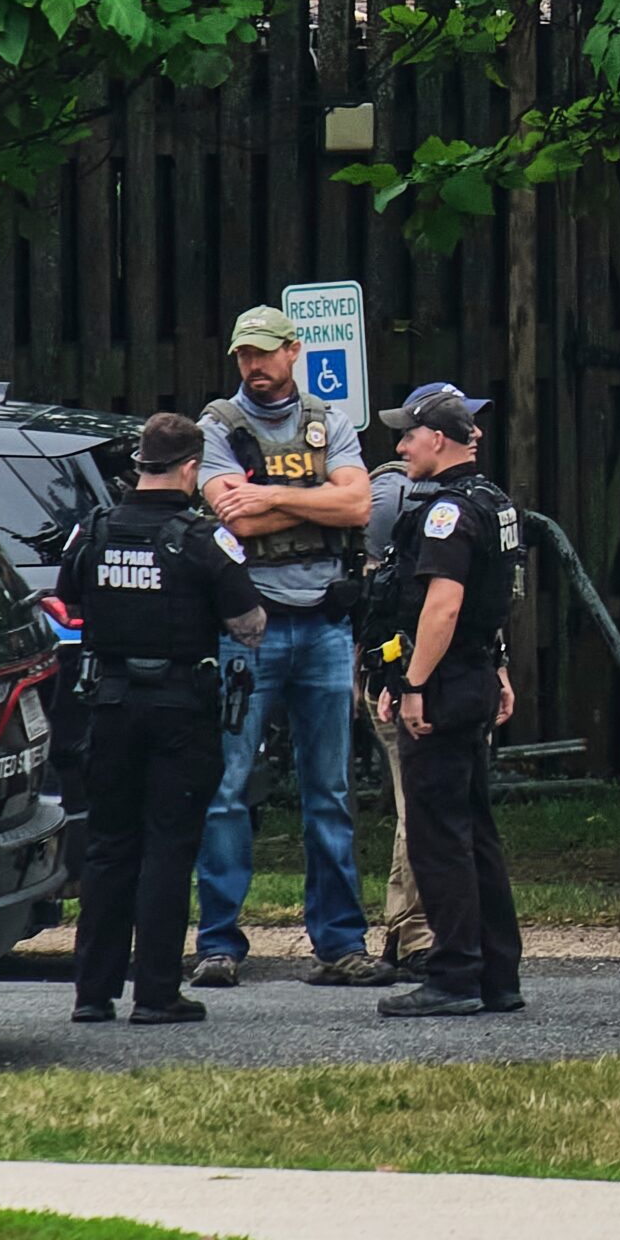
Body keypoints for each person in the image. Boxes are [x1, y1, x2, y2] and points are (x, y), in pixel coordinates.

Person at [191, 307, 385, 990]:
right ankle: (218, 941)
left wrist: (271, 494)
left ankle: (339, 940)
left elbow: (359, 506)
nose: (254, 367)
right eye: (244, 354)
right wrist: (314, 494)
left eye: (266, 353)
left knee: (329, 788)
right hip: (249, 626)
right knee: (228, 786)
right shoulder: (217, 424)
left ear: (294, 351)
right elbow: (228, 512)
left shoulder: (327, 419)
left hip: (326, 626)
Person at [58, 414, 267, 1025]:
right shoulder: (202, 539)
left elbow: (68, 601)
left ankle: (92, 995)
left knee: (108, 846)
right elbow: (249, 627)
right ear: (192, 469)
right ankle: (155, 993)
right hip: (179, 708)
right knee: (169, 848)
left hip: (110, 704)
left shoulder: (92, 530)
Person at [367, 384, 525, 1017]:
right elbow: (497, 599)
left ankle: (454, 974)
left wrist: (411, 684)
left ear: (437, 438)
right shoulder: (494, 501)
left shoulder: (446, 512)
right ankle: (497, 974)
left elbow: (445, 604)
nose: (401, 445)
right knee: (475, 829)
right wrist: (501, 669)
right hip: (476, 674)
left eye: (409, 434)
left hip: (445, 682)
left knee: (438, 835)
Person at [359, 384, 483, 983]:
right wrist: (402, 680)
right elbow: (413, 602)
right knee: (427, 814)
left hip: (439, 674)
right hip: (414, 672)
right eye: (468, 424)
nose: (478, 433)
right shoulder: (405, 497)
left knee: (435, 815)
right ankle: (417, 937)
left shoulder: (461, 500)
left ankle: (420, 937)